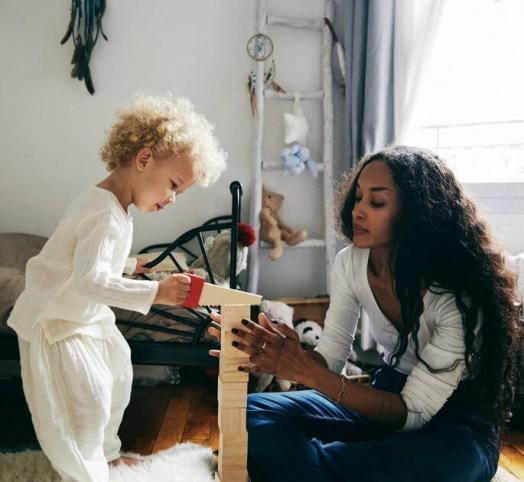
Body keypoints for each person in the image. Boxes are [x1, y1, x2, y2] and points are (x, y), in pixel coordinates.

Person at [209, 145, 521, 482]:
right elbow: (331, 357)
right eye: (357, 197)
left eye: (376, 202)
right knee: (249, 413)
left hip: (454, 424)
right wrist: (291, 358)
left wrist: (306, 372)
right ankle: (344, 466)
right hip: (381, 398)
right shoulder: (351, 263)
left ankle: (322, 467)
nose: (357, 210)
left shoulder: (456, 299)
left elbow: (413, 413)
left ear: (417, 215)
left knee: (449, 466)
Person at [8, 93, 227, 482]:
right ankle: (85, 471)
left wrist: (127, 265)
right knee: (79, 405)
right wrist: (157, 293)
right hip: (56, 323)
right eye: (174, 185)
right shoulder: (104, 214)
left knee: (118, 372)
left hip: (84, 318)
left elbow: (87, 258)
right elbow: (92, 280)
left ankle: (108, 456)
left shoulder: (114, 207)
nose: (172, 199)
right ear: (144, 160)